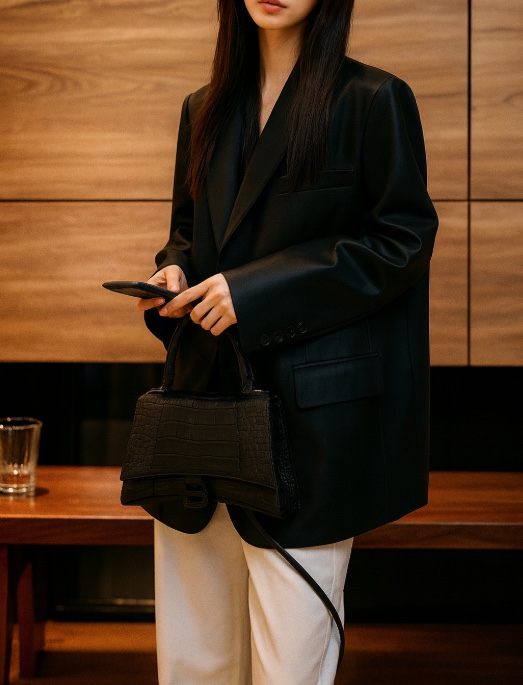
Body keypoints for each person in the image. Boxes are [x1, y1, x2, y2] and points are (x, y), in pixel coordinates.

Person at [136, 1, 438, 683]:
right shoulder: (203, 108)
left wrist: (253, 294)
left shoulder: (372, 99)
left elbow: (400, 242)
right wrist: (171, 273)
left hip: (312, 432)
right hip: (201, 415)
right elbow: (186, 235)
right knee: (194, 662)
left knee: (290, 667)